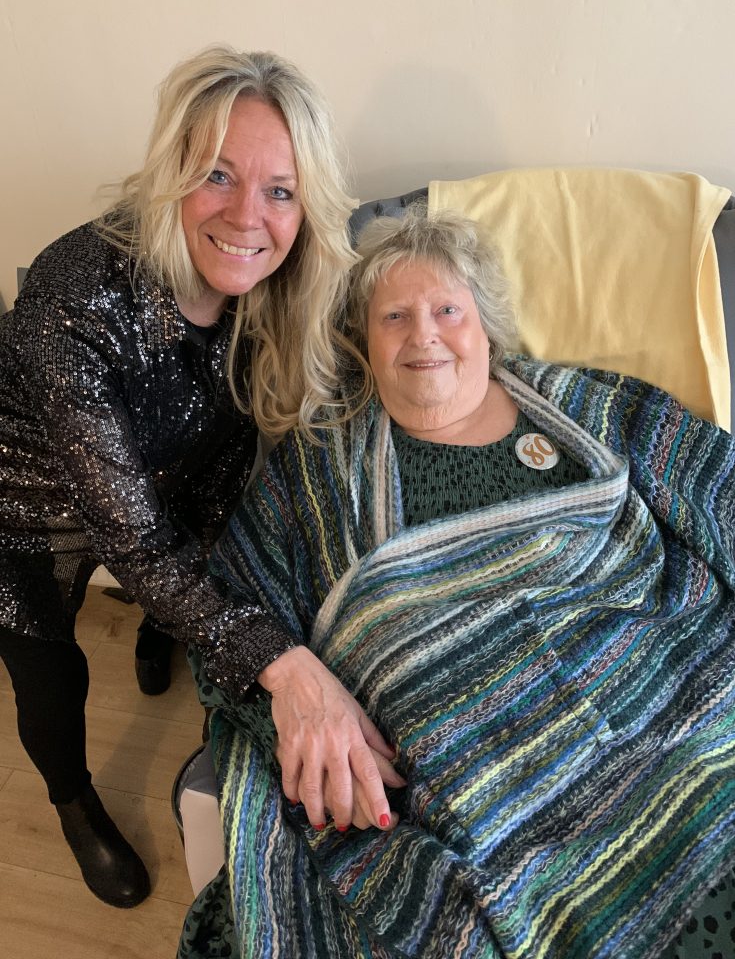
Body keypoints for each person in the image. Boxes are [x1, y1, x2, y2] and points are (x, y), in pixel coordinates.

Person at [180, 209, 735, 958]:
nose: (424, 335)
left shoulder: (583, 406)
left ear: (486, 327)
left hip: (674, 704)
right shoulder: (316, 473)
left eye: (447, 309)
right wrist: (296, 687)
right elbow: (224, 613)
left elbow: (718, 484)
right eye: (394, 317)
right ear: (362, 345)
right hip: (482, 789)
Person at [0, 44, 397, 909]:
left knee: (181, 586)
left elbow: (222, 451)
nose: (249, 214)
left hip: (160, 488)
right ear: (169, 174)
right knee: (50, 676)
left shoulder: (268, 282)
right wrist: (287, 670)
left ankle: (160, 629)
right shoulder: (72, 298)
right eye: (217, 174)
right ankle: (71, 803)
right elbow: (133, 539)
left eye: (280, 189)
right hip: (21, 508)